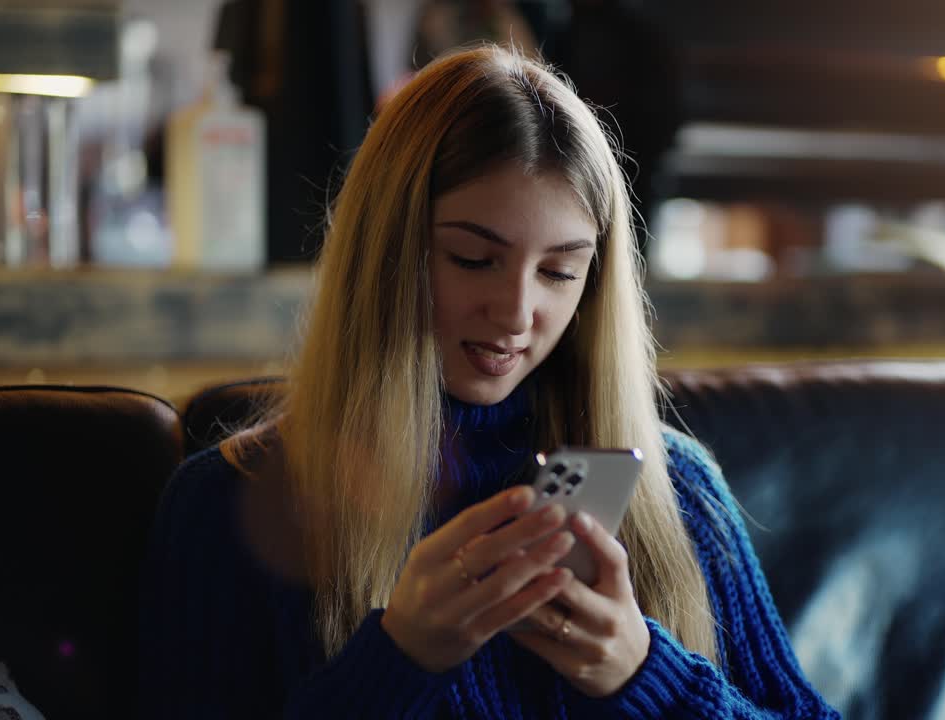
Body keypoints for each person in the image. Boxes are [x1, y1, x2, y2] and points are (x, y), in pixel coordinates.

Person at [140, 44, 839, 718]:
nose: (515, 314)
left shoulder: (675, 489)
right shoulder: (228, 505)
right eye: (474, 259)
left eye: (560, 271)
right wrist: (398, 662)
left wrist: (645, 676)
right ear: (385, 253)